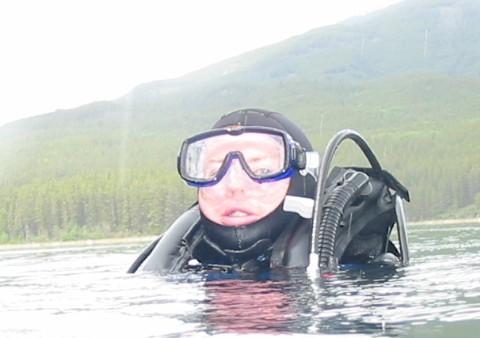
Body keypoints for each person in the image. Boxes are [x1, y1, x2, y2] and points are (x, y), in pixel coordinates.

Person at [129, 108, 407, 273]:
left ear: (301, 180)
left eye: (261, 170)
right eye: (214, 170)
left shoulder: (360, 269)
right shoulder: (185, 271)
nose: (234, 185)